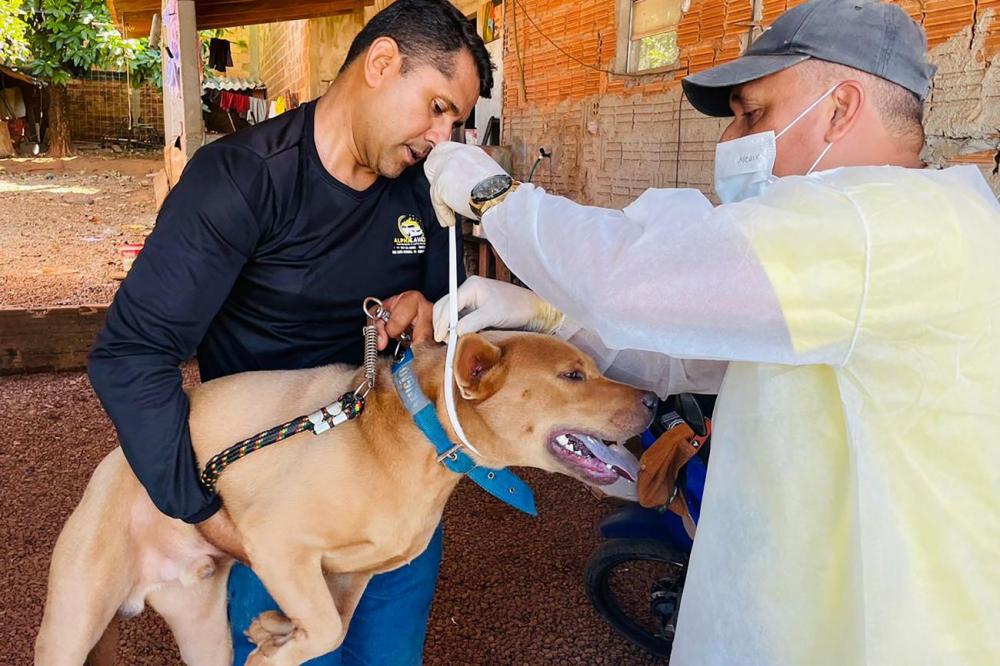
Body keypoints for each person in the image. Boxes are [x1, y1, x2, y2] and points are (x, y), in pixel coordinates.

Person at [422, 0, 1000, 664]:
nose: (731, 143)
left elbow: (634, 273)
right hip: (828, 604)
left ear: (840, 109)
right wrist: (554, 317)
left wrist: (495, 198)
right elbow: (703, 354)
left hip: (886, 630)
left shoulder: (884, 227)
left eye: (754, 114)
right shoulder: (915, 230)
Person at [87, 1, 488, 663]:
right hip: (275, 500)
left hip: (394, 495)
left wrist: (433, 314)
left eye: (458, 120)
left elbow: (455, 353)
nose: (444, 137)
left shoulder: (426, 191)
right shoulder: (243, 180)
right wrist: (207, 516)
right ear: (381, 64)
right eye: (438, 107)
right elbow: (131, 355)